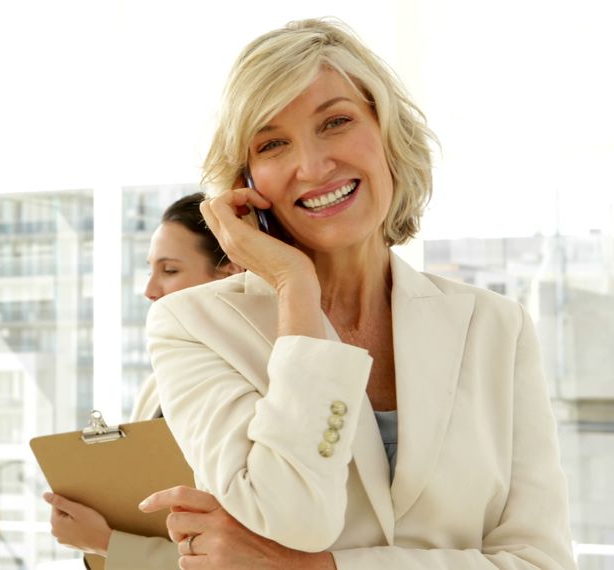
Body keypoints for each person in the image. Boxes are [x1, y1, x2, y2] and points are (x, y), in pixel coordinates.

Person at [139, 18, 576, 570]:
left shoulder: (495, 325)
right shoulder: (194, 324)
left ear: (388, 133)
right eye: (273, 143)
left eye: (336, 122)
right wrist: (295, 288)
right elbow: (293, 516)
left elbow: (541, 562)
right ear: (245, 182)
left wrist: (319, 569)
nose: (313, 166)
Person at [43, 193, 241, 569]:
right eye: (150, 270)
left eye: (169, 271)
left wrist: (105, 542)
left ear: (229, 276)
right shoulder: (160, 383)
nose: (149, 289)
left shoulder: (264, 388)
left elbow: (244, 558)